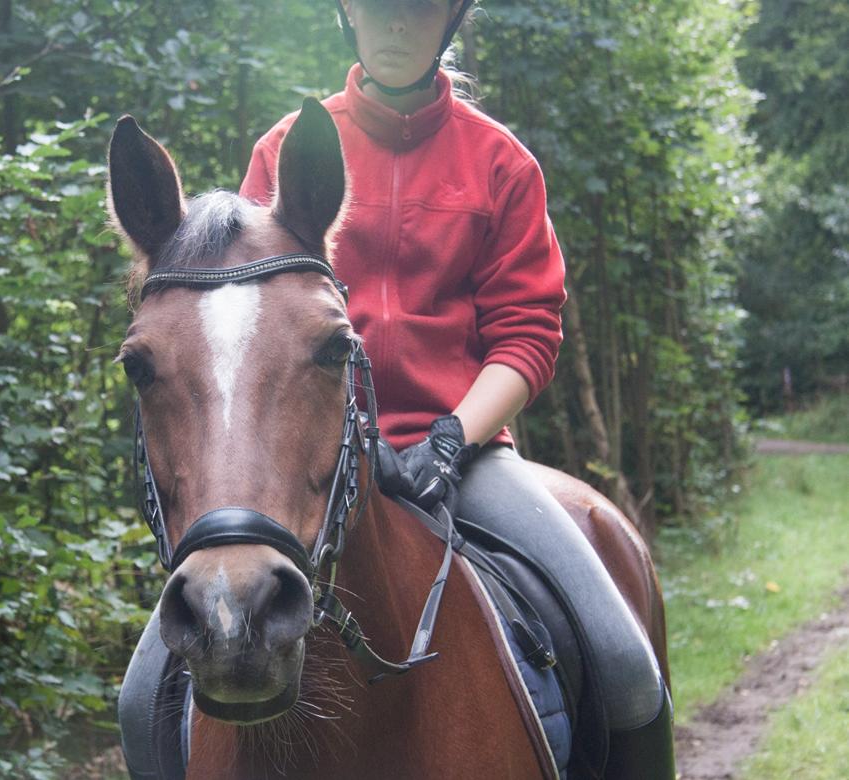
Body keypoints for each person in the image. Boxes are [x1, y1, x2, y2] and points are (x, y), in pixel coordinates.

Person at [119, 1, 673, 776]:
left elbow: (527, 333)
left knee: (623, 661)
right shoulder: (283, 150)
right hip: (306, 461)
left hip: (467, 456)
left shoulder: (501, 163)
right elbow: (237, 329)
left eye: (416, 7)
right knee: (140, 699)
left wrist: (452, 437)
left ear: (447, 22)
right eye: (377, 5)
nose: (396, 23)